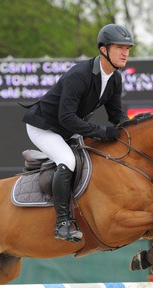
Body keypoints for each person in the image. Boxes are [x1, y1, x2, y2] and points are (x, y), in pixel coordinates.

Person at [22, 23, 134, 243]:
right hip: (44, 126)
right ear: (104, 49)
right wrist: (101, 131)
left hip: (67, 128)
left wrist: (134, 131)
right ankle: (62, 224)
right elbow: (66, 118)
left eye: (128, 48)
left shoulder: (115, 78)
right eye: (120, 47)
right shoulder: (80, 75)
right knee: (68, 160)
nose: (125, 53)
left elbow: (116, 115)